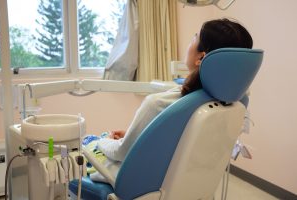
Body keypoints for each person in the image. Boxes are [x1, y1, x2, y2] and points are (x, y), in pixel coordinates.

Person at [85, 18, 253, 179]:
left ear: (201, 58)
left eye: (194, 38)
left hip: (142, 184)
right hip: (190, 184)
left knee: (87, 145)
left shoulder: (158, 104)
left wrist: (103, 141)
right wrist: (135, 136)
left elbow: (121, 152)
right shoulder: (236, 104)